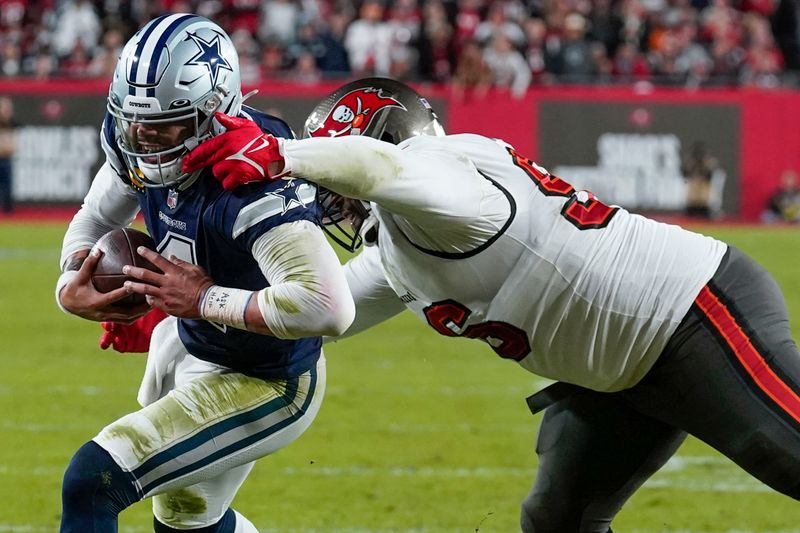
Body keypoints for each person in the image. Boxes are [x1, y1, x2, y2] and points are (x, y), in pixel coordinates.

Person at [179, 77, 800, 532]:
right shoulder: (399, 244)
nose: (325, 202)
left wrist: (281, 154)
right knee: (556, 521)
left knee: (789, 455)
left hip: (692, 314)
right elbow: (316, 310)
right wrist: (180, 304)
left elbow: (380, 169)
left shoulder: (447, 174)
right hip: (618, 375)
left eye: (328, 183)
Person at [54, 14, 354, 533]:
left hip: (268, 379)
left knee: (93, 479)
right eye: (134, 122)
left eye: (163, 124)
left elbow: (329, 306)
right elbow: (97, 216)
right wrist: (70, 286)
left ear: (213, 114)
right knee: (187, 524)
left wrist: (206, 298)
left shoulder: (252, 180)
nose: (145, 140)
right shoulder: (138, 142)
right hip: (196, 347)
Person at [0, 95, 16, 214]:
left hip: (6, 159)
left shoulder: (11, 124)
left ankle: (8, 210)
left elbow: (12, 146)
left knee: (7, 186)